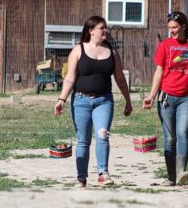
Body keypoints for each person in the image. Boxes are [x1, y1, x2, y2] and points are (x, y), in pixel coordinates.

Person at [54, 16, 132, 187]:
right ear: (91, 31)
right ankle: (81, 177)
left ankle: (103, 173)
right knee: (83, 140)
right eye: (101, 28)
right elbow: (69, 78)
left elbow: (119, 78)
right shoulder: (78, 50)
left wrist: (128, 100)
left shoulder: (112, 51)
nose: (105, 30)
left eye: (106, 28)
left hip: (104, 101)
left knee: (102, 135)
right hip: (80, 101)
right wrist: (62, 99)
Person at [143, 11, 188, 186]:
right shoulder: (165, 45)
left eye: (175, 27)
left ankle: (181, 172)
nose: (172, 31)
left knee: (182, 133)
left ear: (184, 26)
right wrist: (152, 96)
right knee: (169, 138)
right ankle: (171, 178)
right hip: (167, 98)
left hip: (187, 98)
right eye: (169, 28)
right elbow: (159, 71)